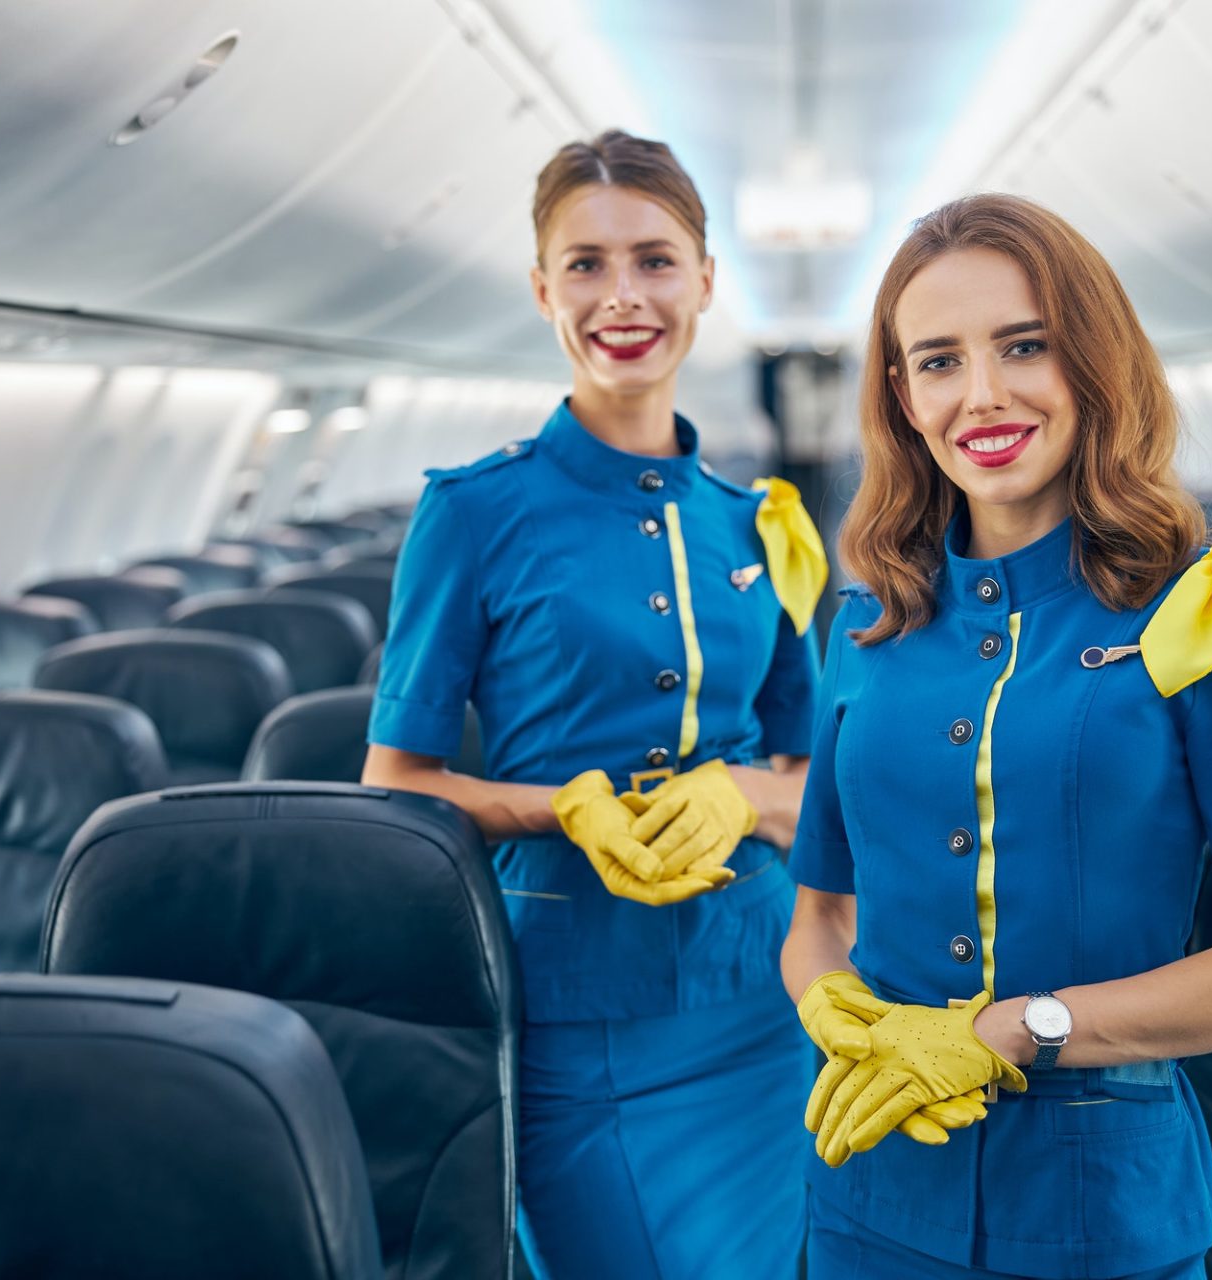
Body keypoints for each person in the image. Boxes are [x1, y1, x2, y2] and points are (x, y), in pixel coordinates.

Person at [780, 193, 1212, 1280]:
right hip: (870, 1193)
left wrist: (1008, 1030)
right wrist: (834, 1010)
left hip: (1102, 1219)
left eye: (1024, 346)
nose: (982, 395)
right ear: (902, 395)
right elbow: (818, 915)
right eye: (940, 361)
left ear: (1094, 358)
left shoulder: (1207, 611)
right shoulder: (867, 625)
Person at [363, 129, 826, 1280]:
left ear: (705, 281)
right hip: (575, 1008)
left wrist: (744, 794)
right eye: (586, 264)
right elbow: (396, 783)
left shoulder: (757, 523)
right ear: (542, 289)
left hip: (765, 993)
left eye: (655, 261)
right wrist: (558, 804)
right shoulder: (473, 512)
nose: (623, 295)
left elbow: (817, 781)